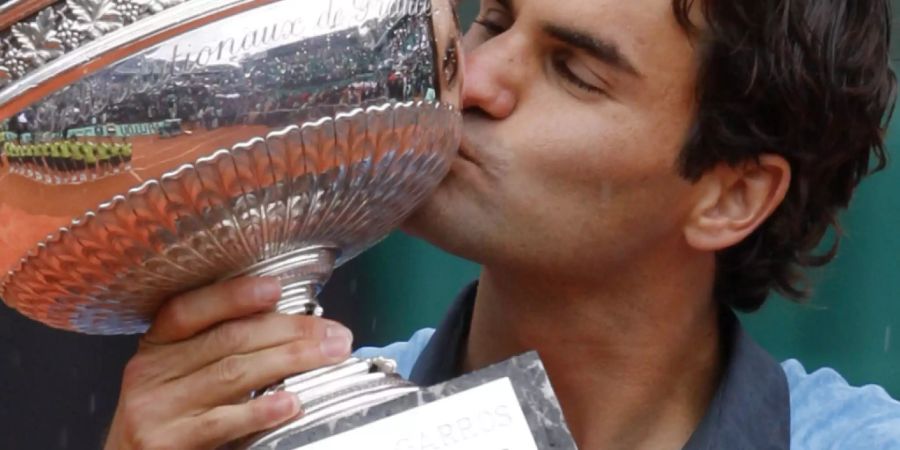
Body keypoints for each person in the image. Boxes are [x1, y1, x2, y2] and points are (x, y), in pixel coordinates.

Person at [103, 0, 900, 449]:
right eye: (493, 20)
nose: (471, 80)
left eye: (575, 73)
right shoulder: (265, 426)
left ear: (731, 196)